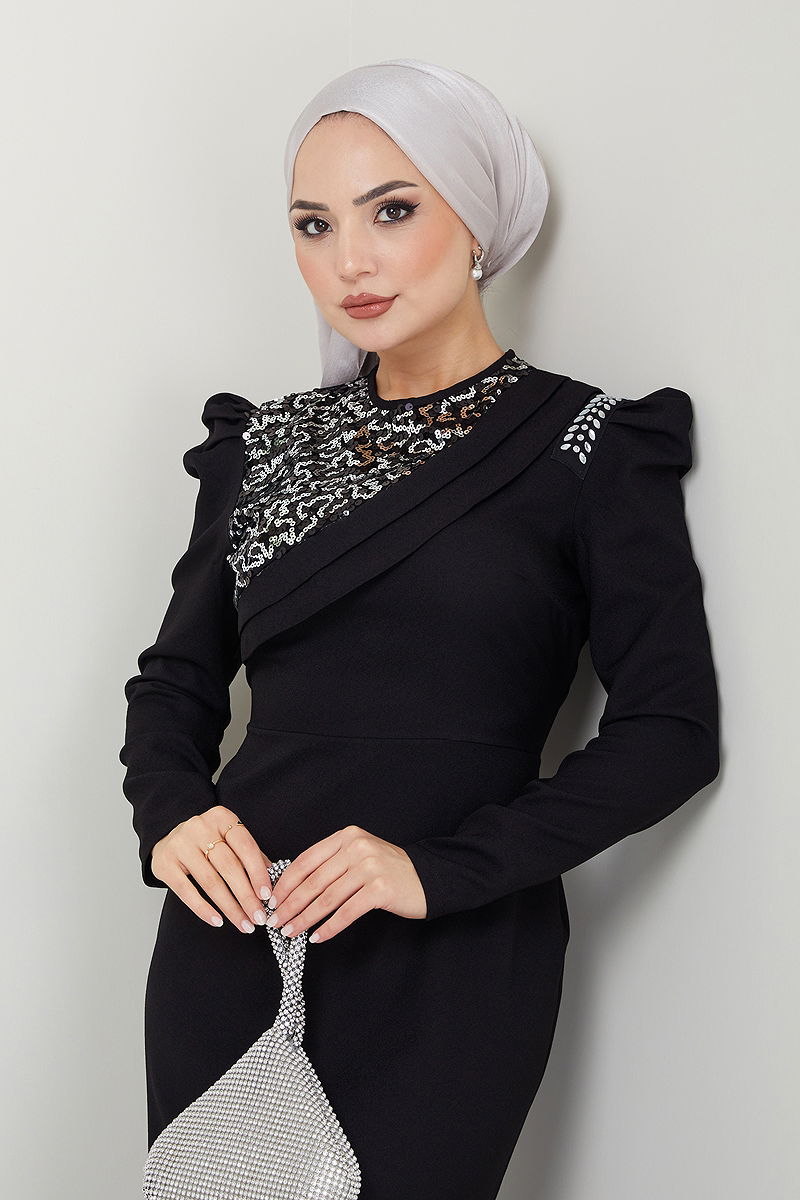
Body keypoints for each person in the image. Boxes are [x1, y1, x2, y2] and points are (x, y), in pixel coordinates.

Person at [119, 57, 720, 1200]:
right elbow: (174, 684)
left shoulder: (589, 447)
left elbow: (670, 731)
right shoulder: (263, 446)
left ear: (475, 221)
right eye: (313, 225)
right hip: (233, 943)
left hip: (454, 952)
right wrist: (171, 814)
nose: (348, 261)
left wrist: (436, 872)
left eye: (390, 211)